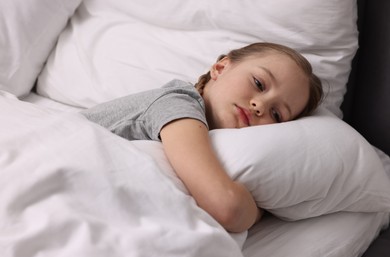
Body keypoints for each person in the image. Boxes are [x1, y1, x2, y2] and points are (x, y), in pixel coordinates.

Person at [81, 42, 323, 233]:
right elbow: (226, 208)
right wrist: (261, 211)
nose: (259, 105)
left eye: (276, 114)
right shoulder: (176, 104)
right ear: (221, 67)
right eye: (259, 83)